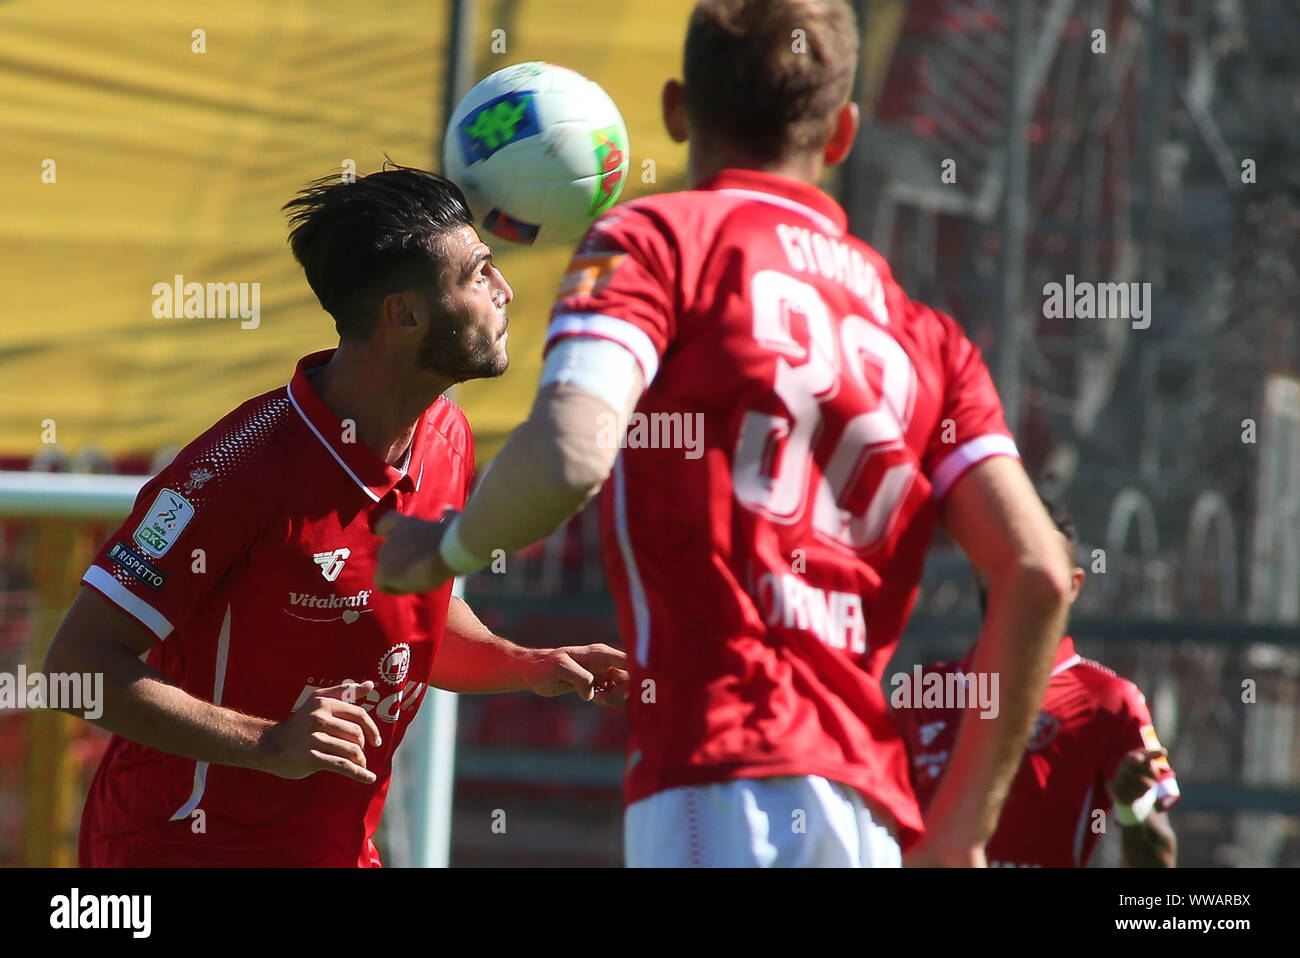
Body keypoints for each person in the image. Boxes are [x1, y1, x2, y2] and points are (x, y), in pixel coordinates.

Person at [375, 0, 1072, 867]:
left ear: (676, 109)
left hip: (723, 778)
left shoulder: (656, 241)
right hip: (869, 813)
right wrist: (962, 834)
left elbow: (571, 449)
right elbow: (1039, 570)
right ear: (844, 132)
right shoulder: (925, 333)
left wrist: (447, 548)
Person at [43, 166, 627, 867]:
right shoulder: (237, 470)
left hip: (336, 850)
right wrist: (266, 743)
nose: (504, 293)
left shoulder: (446, 438)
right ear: (404, 315)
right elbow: (73, 666)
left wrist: (522, 663)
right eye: (478, 275)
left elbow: (412, 621)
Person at [894, 495, 1179, 867]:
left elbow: (1159, 860)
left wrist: (1133, 809)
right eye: (1010, 557)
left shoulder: (1109, 702)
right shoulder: (923, 693)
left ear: (1074, 585)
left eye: (1044, 568)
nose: (1025, 577)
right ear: (981, 568)